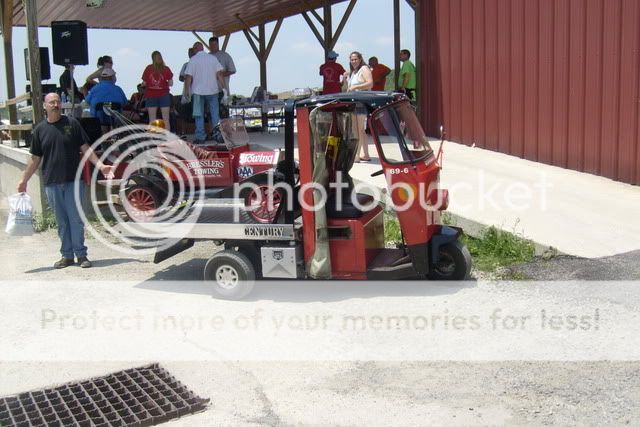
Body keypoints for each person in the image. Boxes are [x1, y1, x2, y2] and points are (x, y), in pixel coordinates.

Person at [17, 93, 114, 269]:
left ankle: (81, 255)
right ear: (45, 106)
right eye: (51, 102)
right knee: (61, 222)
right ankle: (66, 256)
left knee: (75, 219)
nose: (55, 104)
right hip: (52, 183)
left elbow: (85, 148)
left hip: (74, 181)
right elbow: (35, 159)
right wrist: (24, 180)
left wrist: (101, 166)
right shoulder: (40, 130)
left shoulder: (72, 124)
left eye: (58, 102)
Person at [184, 42, 225, 143]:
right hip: (212, 90)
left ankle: (200, 137)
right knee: (215, 113)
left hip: (198, 91)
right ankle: (219, 135)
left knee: (199, 114)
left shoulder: (193, 60)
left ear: (195, 49)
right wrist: (224, 88)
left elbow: (188, 77)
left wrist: (186, 91)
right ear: (202, 48)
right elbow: (220, 74)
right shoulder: (212, 58)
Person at [344, 51, 373, 162]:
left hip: (360, 103)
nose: (354, 61)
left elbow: (370, 83)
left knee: (357, 130)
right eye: (352, 59)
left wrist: (355, 87)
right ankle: (365, 154)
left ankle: (356, 156)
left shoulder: (364, 69)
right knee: (361, 130)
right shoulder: (354, 72)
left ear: (360, 59)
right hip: (355, 102)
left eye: (355, 59)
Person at [85, 68, 128, 133]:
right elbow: (124, 103)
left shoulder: (95, 88)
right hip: (115, 120)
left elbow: (87, 101)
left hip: (98, 121)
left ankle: (103, 137)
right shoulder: (118, 89)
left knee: (99, 116)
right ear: (111, 77)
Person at [141, 50, 174, 131]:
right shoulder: (166, 69)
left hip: (151, 95)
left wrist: (144, 85)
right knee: (166, 119)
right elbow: (171, 83)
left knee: (152, 119)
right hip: (164, 95)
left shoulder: (148, 68)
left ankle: (153, 139)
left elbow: (144, 83)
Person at [209, 36, 236, 118]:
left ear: (218, 44)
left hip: (222, 90)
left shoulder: (225, 56)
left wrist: (220, 75)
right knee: (211, 113)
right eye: (211, 45)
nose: (213, 47)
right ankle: (213, 130)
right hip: (210, 91)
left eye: (214, 44)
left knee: (224, 113)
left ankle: (225, 130)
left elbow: (233, 70)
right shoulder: (207, 57)